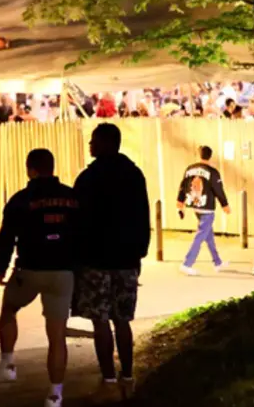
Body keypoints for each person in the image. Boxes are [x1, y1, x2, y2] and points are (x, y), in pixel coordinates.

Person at [0, 149, 78, 407]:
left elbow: (7, 237)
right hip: (62, 272)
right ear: (52, 167)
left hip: (29, 270)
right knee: (57, 334)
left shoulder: (20, 199)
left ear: (31, 169)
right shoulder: (72, 197)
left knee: (9, 309)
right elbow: (83, 233)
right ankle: (55, 394)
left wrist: (0, 266)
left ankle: (7, 365)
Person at [73, 123, 150, 399]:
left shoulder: (87, 179)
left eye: (93, 140)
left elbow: (78, 222)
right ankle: (128, 376)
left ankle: (107, 378)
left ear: (106, 143)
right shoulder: (134, 174)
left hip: (95, 260)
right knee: (123, 320)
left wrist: (77, 258)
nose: (90, 145)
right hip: (127, 259)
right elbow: (143, 214)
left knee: (100, 320)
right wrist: (140, 251)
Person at [177, 146, 230, 275]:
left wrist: (180, 202)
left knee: (208, 235)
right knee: (201, 235)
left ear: (199, 154)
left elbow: (182, 186)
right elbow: (218, 189)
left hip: (195, 206)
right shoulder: (212, 172)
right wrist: (225, 205)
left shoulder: (190, 169)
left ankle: (217, 262)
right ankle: (187, 263)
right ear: (210, 156)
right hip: (207, 208)